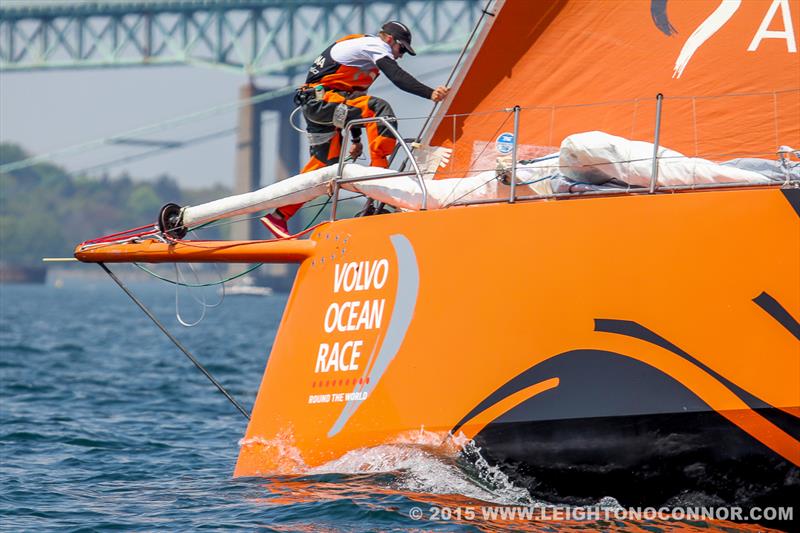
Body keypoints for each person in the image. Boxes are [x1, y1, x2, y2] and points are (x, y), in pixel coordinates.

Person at [261, 21, 450, 238]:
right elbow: (396, 78)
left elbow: (353, 104)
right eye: (401, 49)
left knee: (324, 165)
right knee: (378, 109)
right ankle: (383, 188)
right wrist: (430, 93)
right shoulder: (375, 46)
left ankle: (278, 217)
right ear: (389, 39)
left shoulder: (365, 61)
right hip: (322, 102)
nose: (400, 56)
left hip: (320, 105)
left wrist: (357, 140)